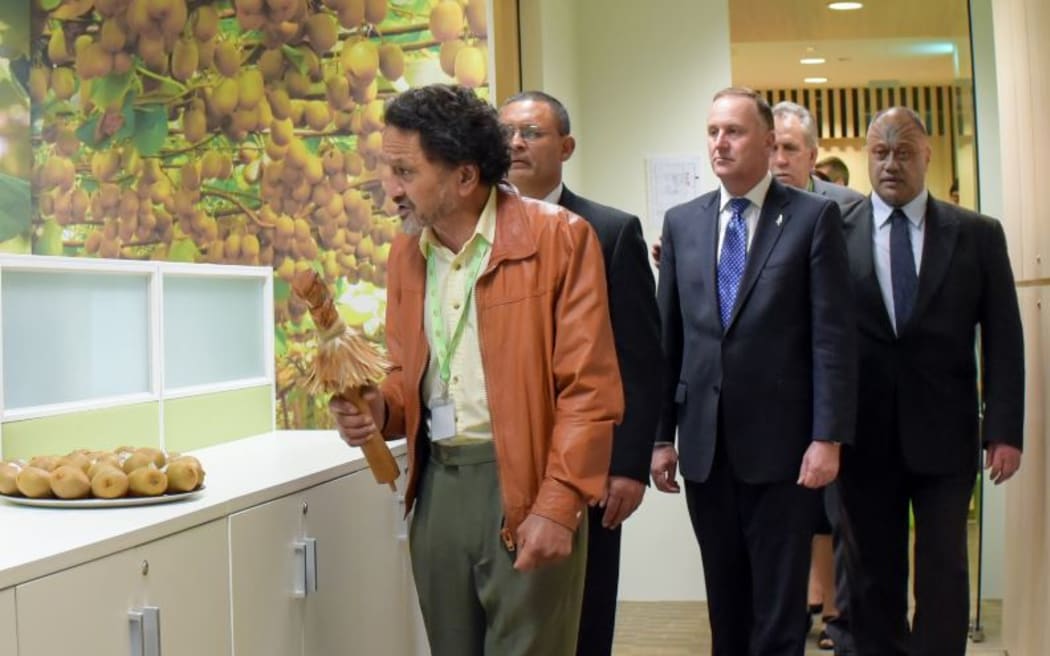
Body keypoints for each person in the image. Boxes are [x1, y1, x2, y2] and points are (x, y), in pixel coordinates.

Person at [329, 84, 624, 656]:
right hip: (437, 487)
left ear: (464, 177)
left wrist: (559, 505)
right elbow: (403, 372)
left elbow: (588, 390)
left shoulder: (559, 239)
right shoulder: (407, 255)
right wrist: (379, 408)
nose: (390, 190)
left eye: (405, 172)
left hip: (527, 484)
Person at [651, 87, 857, 656]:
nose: (720, 142)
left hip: (785, 452)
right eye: (713, 131)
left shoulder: (814, 219)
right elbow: (669, 340)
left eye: (734, 132)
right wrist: (659, 437)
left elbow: (832, 339)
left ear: (768, 143)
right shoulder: (683, 223)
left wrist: (828, 437)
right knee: (726, 604)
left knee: (778, 611)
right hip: (704, 448)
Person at [831, 106, 1025, 656]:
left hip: (946, 432)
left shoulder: (977, 235)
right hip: (861, 435)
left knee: (943, 569)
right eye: (880, 152)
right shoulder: (834, 233)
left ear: (928, 156)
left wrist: (1004, 429)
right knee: (871, 571)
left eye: (904, 152)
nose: (891, 164)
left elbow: (1005, 338)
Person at [499, 90, 664, 656]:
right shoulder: (472, 237)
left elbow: (640, 360)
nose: (516, 143)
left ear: (566, 146)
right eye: (507, 132)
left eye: (532, 133)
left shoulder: (609, 231)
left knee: (584, 619)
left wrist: (627, 466)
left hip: (590, 467)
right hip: (499, 464)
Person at [770, 100, 864, 650]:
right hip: (779, 392)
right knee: (789, 522)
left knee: (841, 516)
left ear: (811, 153)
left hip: (835, 386)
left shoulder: (847, 208)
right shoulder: (743, 211)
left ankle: (842, 619)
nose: (779, 158)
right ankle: (799, 613)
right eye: (773, 146)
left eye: (789, 148)